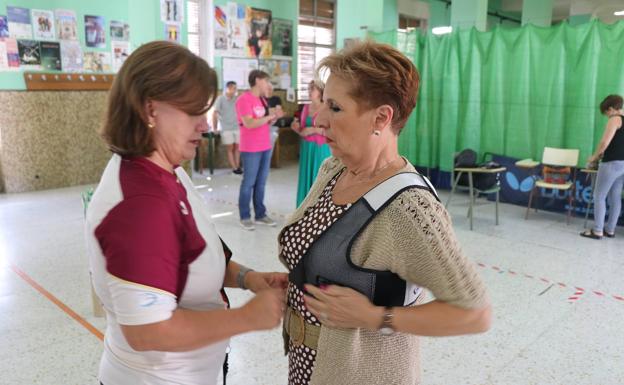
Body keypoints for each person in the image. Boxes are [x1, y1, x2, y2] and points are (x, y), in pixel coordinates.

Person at [278, 41, 491, 385]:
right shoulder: (334, 169)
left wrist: (377, 317)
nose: (318, 119)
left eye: (334, 108)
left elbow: (474, 313)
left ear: (381, 117)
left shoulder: (408, 209)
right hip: (310, 366)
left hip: (362, 374)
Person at [85, 41, 287, 385]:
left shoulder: (168, 170)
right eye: (193, 112)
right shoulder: (140, 205)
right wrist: (247, 319)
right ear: (150, 109)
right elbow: (147, 331)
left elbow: (190, 255)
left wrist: (247, 278)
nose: (204, 126)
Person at [236, 70, 283, 230]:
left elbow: (264, 122)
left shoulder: (262, 100)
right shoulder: (244, 100)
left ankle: (260, 214)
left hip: (265, 146)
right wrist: (268, 117)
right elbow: (249, 123)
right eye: (266, 81)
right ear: (257, 81)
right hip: (250, 148)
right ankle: (244, 216)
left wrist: (274, 117)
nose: (268, 85)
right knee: (248, 182)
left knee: (261, 183)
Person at [581, 94, 624, 239]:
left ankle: (598, 230)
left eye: (606, 113)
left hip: (611, 162)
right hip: (623, 165)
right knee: (615, 197)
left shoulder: (614, 119)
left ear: (611, 109)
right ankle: (610, 230)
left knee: (599, 196)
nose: (607, 116)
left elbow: (604, 143)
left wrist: (594, 157)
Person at [291, 80, 331, 207]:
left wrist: (313, 130)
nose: (309, 92)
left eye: (312, 89)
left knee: (319, 180)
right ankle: (303, 210)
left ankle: (318, 210)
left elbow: (332, 131)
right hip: (307, 149)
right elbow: (302, 129)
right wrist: (296, 128)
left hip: (321, 149)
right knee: (306, 178)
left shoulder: (327, 108)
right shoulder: (305, 107)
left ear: (320, 91)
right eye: (308, 89)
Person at [213, 80, 242, 174]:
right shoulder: (220, 99)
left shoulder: (237, 99)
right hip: (226, 128)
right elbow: (215, 113)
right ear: (228, 88)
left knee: (238, 148)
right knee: (230, 148)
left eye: (236, 88)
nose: (235, 90)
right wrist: (215, 128)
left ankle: (238, 166)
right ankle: (234, 168)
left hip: (237, 127)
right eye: (234, 88)